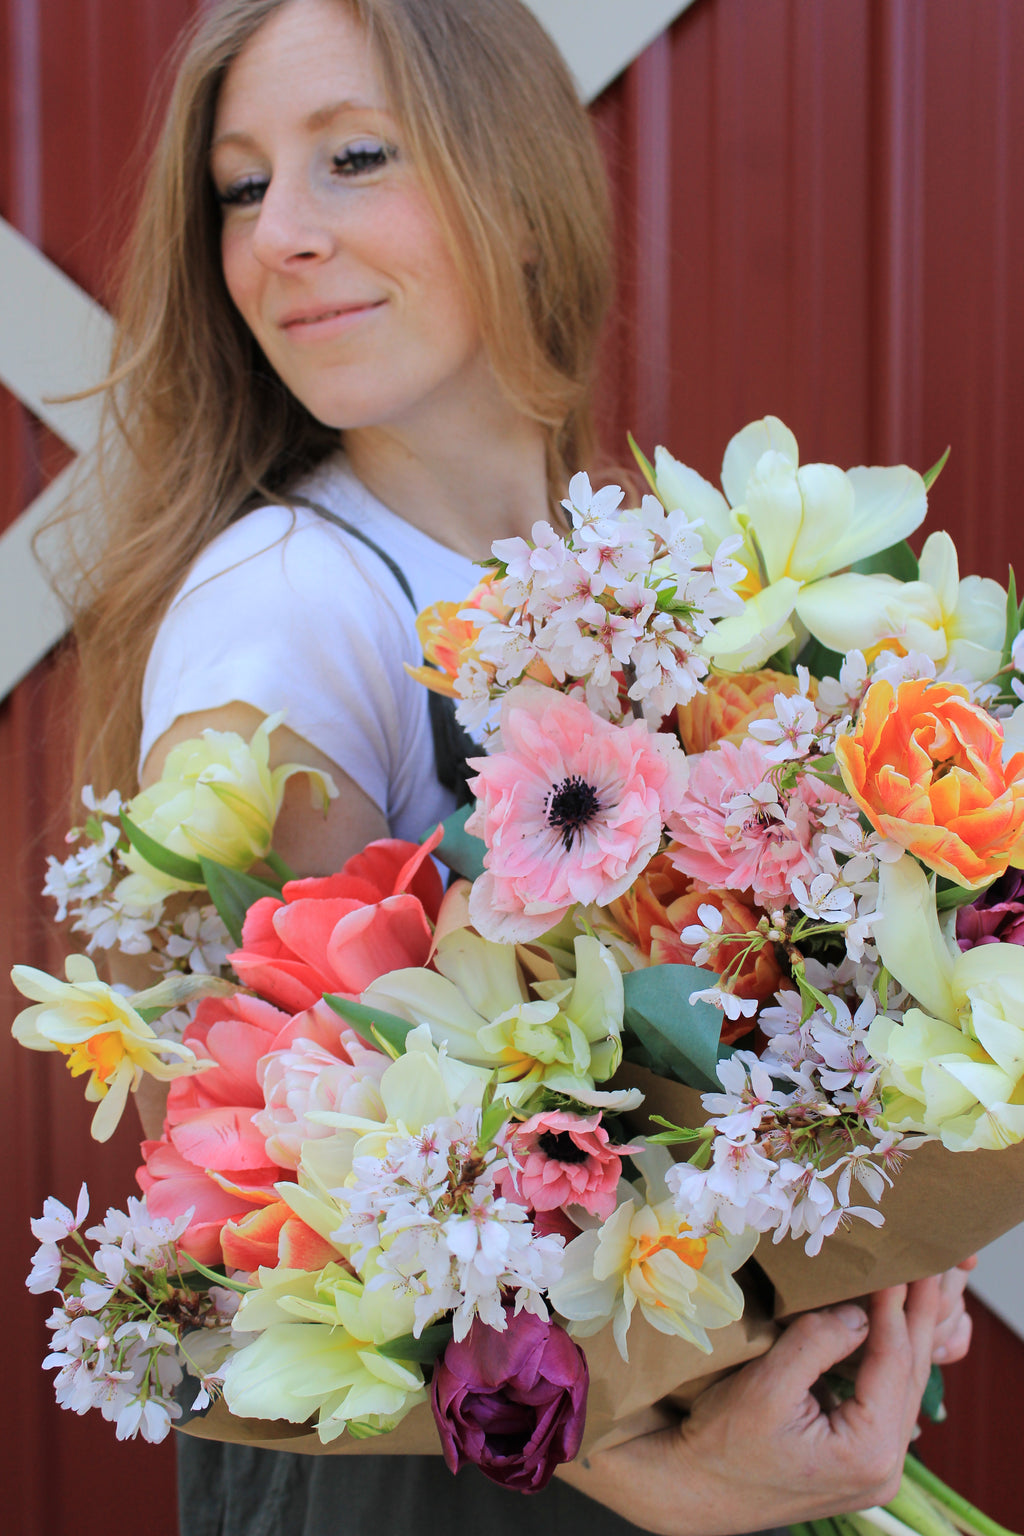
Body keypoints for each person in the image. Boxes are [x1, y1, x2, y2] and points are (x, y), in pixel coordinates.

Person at [58, 1, 973, 1532]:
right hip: (450, 1492)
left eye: (353, 159)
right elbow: (293, 1205)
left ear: (526, 200)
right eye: (241, 185)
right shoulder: (292, 603)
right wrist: (663, 1477)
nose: (281, 232)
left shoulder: (652, 572)